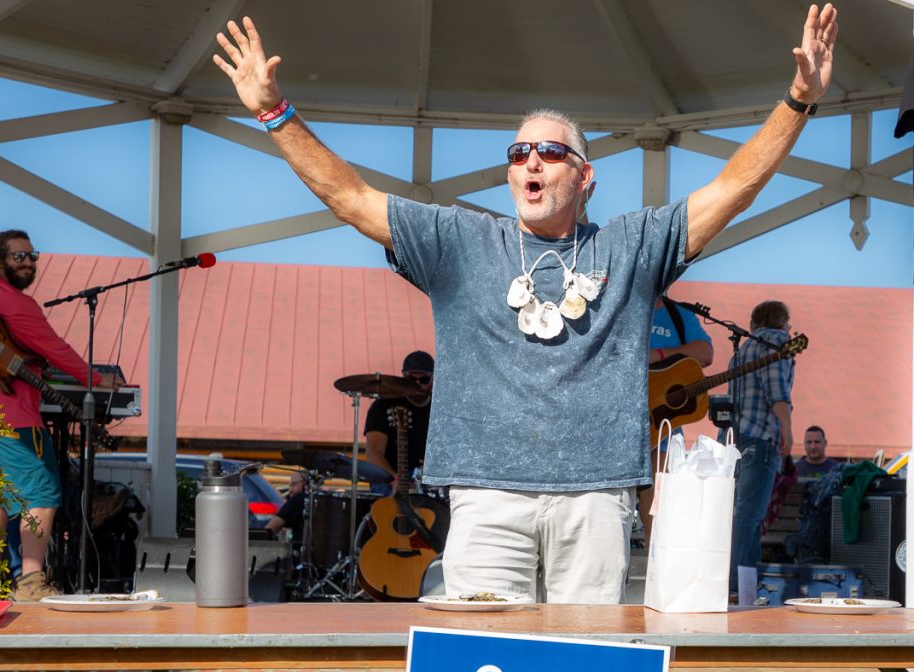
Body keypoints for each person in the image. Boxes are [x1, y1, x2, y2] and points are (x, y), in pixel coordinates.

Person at [213, 5, 838, 603]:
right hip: (486, 499)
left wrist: (799, 101)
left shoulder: (632, 246)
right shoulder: (460, 241)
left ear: (585, 176)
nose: (531, 160)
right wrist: (274, 113)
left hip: (596, 498)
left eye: (550, 151)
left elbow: (732, 189)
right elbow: (350, 197)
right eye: (518, 154)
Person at [0, 230, 121, 601]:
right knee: (44, 492)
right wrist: (96, 379)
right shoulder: (17, 303)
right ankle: (31, 581)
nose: (29, 262)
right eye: (19, 256)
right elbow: (55, 347)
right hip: (12, 419)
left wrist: (39, 371)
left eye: (32, 255)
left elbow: (14, 355)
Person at [726, 300, 796, 592]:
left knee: (740, 514)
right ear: (781, 323)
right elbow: (777, 391)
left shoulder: (741, 352)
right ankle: (736, 586)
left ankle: (744, 586)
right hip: (760, 437)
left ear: (754, 323)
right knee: (750, 516)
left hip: (734, 441)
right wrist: (787, 430)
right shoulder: (777, 343)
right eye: (789, 326)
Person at [638, 297, 714, 545]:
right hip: (619, 422)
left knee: (660, 507)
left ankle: (655, 567)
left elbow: (705, 352)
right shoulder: (627, 307)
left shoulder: (679, 315)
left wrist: (660, 354)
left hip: (663, 428)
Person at [363, 350, 434, 496]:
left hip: (428, 479)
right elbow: (374, 453)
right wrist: (396, 478)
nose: (417, 384)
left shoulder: (441, 409)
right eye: (411, 380)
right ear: (403, 377)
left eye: (424, 380)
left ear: (433, 378)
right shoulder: (383, 406)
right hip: (389, 477)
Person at [266, 470, 306, 540]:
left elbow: (270, 529)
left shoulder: (299, 499)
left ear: (305, 485)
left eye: (293, 484)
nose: (290, 490)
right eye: (289, 486)